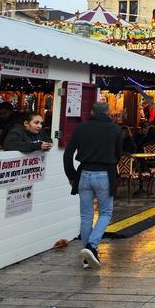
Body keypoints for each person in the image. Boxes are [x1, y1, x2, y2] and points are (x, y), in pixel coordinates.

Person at [63, 102, 123, 269]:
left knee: (86, 216)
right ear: (108, 112)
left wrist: (71, 175)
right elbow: (118, 155)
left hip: (84, 174)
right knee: (105, 213)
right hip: (105, 173)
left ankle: (87, 258)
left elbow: (68, 154)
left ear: (91, 111)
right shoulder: (116, 130)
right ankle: (91, 246)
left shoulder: (81, 128)